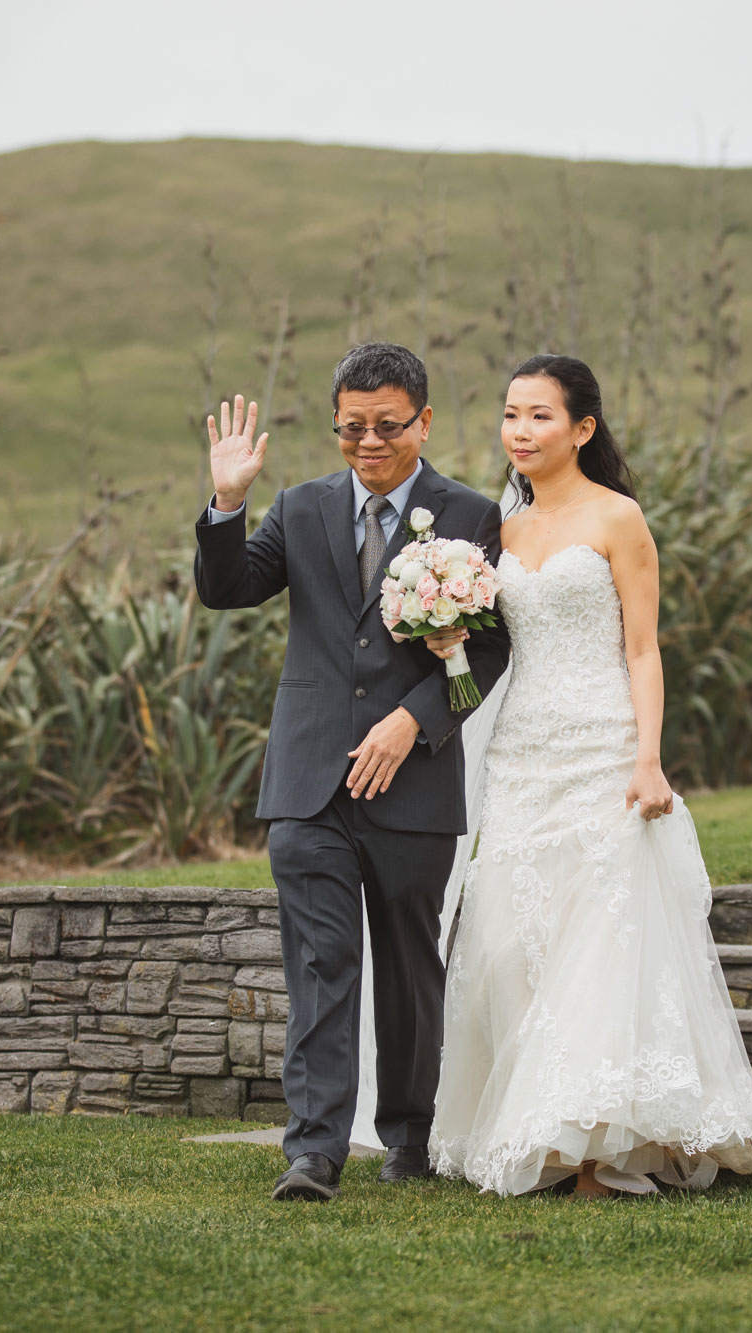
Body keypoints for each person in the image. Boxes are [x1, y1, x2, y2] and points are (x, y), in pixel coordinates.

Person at [427, 353, 752, 1197]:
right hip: (521, 753)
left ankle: (598, 1149)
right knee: (509, 947)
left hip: (606, 748)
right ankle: (532, 1126)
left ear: (582, 427)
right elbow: (479, 674)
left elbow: (644, 651)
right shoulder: (494, 534)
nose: (520, 432)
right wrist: (449, 649)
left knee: (601, 945)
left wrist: (649, 757)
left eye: (540, 415)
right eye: (510, 415)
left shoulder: (619, 519)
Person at [194, 342, 510, 1202]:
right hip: (308, 781)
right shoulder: (297, 508)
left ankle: (409, 1131)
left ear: (424, 421)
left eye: (387, 426)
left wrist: (415, 721)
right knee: (322, 962)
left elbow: (488, 648)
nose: (368, 442)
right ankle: (315, 1151)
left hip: (413, 780)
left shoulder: (471, 515)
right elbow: (227, 589)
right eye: (350, 427)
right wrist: (228, 498)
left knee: (409, 970)